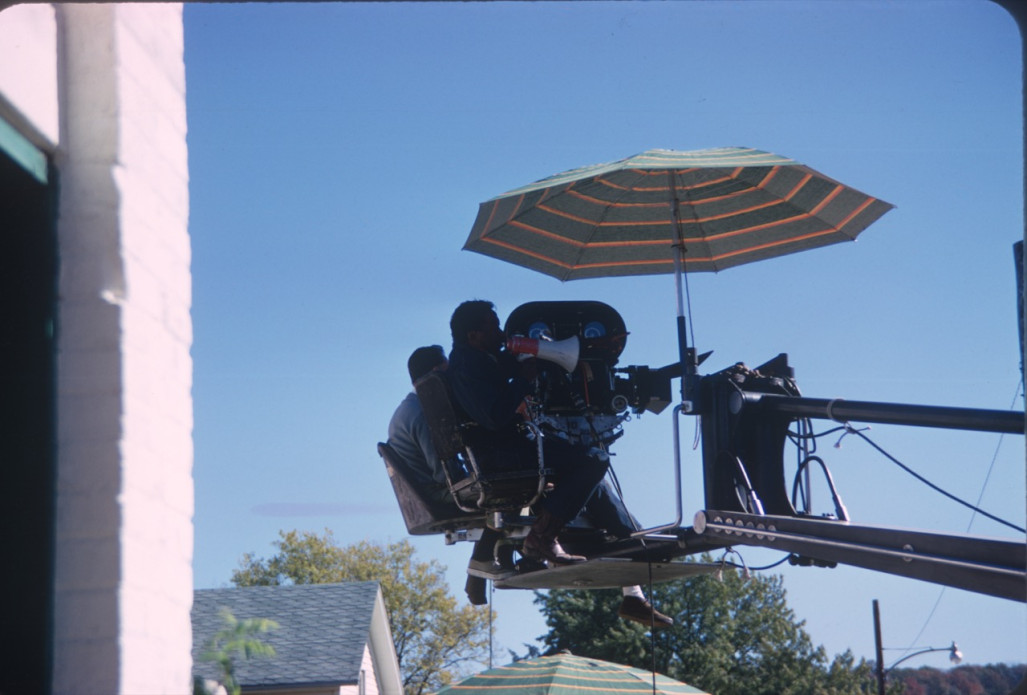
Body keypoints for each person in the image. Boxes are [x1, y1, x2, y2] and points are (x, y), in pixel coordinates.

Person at [447, 300, 610, 565]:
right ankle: (541, 539)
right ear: (473, 335)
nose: (501, 335)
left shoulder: (475, 359)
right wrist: (524, 380)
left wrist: (532, 360)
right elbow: (493, 416)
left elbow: (502, 372)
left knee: (580, 460)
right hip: (503, 455)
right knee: (594, 460)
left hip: (504, 450)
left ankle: (538, 543)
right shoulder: (467, 367)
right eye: (494, 328)